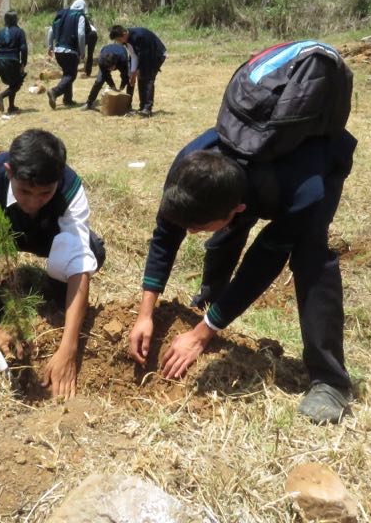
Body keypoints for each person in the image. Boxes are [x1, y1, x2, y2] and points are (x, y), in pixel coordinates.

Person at [128, 127, 357, 424]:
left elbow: (260, 266)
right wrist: (145, 313)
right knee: (223, 238)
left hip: (317, 162)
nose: (192, 233)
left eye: (197, 227)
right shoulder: (189, 167)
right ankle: (210, 302)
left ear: (237, 209)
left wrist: (202, 334)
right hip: (255, 175)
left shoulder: (302, 196)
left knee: (310, 256)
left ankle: (331, 382)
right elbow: (166, 233)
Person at [0, 129, 105, 398]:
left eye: (45, 193)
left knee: (93, 251)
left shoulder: (70, 187)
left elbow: (79, 262)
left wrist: (69, 348)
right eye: (25, 191)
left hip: (46, 237)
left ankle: (53, 291)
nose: (32, 202)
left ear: (58, 179)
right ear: (9, 171)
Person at [109, 24, 166, 117]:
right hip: (144, 56)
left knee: (148, 78)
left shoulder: (139, 36)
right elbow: (133, 55)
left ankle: (147, 109)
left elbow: (144, 57)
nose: (118, 42)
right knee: (141, 78)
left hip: (155, 54)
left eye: (118, 40)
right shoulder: (126, 40)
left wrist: (136, 72)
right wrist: (132, 73)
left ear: (124, 34)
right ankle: (143, 107)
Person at [46, 0, 88, 109]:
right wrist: (82, 51)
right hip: (70, 51)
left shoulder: (62, 13)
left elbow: (51, 31)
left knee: (67, 73)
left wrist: (50, 46)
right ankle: (54, 92)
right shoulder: (80, 16)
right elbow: (81, 34)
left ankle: (68, 99)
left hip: (58, 51)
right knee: (71, 75)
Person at [0, 10, 28, 114]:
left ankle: (11, 107)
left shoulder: (0, 32)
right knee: (17, 84)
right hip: (12, 61)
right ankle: (0, 96)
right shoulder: (20, 32)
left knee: (13, 83)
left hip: (0, 62)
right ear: (16, 20)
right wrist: (23, 63)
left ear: (5, 20)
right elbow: (24, 48)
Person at [82, 42, 132, 110]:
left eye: (111, 68)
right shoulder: (101, 61)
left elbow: (124, 75)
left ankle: (128, 106)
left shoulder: (122, 60)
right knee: (99, 81)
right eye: (108, 68)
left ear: (115, 64)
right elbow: (106, 75)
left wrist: (122, 86)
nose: (110, 70)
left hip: (121, 51)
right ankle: (89, 103)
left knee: (130, 80)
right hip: (107, 50)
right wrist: (112, 86)